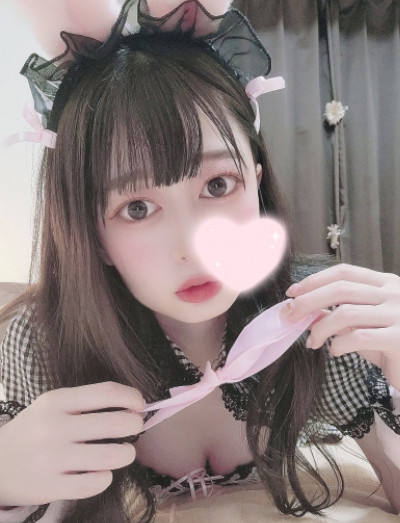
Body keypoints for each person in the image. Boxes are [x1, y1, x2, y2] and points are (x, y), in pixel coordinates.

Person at [0, 1, 399, 521]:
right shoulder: (43, 341)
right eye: (137, 208)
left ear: (256, 182)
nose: (194, 246)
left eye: (218, 185)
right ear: (93, 237)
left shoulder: (318, 319)